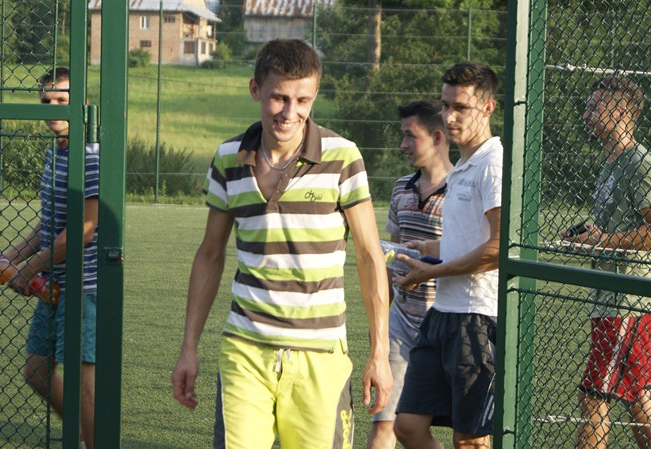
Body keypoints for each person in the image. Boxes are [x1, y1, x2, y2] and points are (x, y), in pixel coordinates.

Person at [170, 39, 392, 449]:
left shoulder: (343, 157)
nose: (290, 113)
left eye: (302, 100)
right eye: (279, 98)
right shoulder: (228, 158)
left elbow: (369, 255)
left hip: (321, 355)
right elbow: (210, 254)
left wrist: (380, 352)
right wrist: (189, 347)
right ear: (255, 89)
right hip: (245, 350)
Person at [391, 62, 502, 449]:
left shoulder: (492, 164)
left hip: (477, 317)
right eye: (445, 105)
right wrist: (429, 249)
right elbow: (470, 237)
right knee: (407, 426)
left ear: (487, 108)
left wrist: (431, 273)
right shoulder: (462, 167)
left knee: (470, 441)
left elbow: (499, 248)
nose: (450, 116)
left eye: (461, 107)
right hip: (443, 315)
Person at [564, 76, 651, 449]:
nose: (586, 114)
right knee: (635, 395)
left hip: (630, 300)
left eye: (594, 107)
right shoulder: (613, 163)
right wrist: (591, 235)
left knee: (594, 394)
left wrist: (605, 241)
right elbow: (616, 228)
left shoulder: (641, 164)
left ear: (621, 111)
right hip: (614, 298)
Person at [0, 67, 99, 449]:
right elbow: (49, 222)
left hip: (83, 288)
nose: (53, 109)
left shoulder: (89, 155)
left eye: (61, 100)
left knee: (83, 383)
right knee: (37, 373)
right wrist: (11, 255)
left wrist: (28, 268)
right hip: (52, 285)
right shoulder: (53, 152)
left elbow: (83, 229)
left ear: (80, 103)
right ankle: (82, 433)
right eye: (46, 101)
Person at [367, 100, 453, 449]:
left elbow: (476, 256)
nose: (403, 144)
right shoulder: (401, 187)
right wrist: (381, 324)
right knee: (384, 425)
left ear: (437, 137)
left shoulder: (463, 190)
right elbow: (393, 257)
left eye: (410, 136)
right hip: (401, 325)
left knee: (470, 436)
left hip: (448, 325)